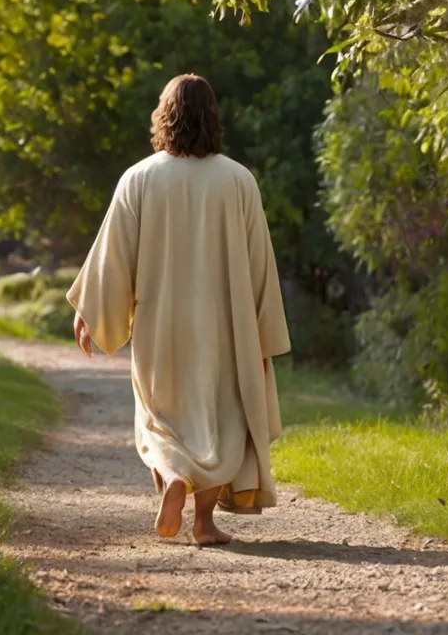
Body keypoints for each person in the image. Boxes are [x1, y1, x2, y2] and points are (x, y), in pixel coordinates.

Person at [66, 74, 292, 546]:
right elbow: (259, 265)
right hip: (225, 331)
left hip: (160, 327)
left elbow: (114, 256)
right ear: (213, 117)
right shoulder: (238, 180)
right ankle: (204, 523)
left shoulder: (140, 178)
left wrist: (91, 311)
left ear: (163, 116)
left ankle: (171, 474)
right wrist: (264, 340)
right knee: (214, 421)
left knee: (161, 418)